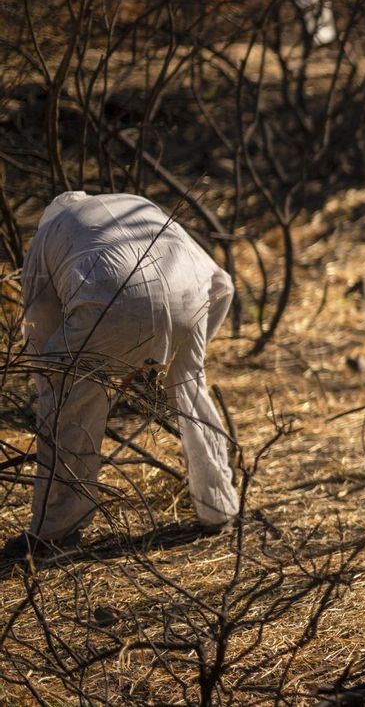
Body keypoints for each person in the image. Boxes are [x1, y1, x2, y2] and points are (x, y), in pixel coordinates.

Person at [3, 192, 239, 559]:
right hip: (188, 294)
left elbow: (41, 337)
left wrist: (61, 386)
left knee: (65, 399)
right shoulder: (135, 204)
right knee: (192, 388)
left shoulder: (48, 236)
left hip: (111, 297)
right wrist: (170, 358)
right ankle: (218, 505)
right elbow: (221, 286)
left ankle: (54, 531)